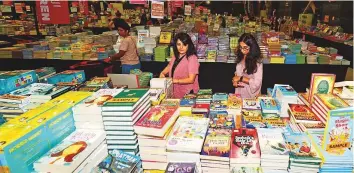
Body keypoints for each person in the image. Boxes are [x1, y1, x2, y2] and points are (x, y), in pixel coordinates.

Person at [159, 33, 200, 99]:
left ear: (188, 45)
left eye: (184, 44)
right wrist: (162, 73)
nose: (181, 47)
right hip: (175, 91)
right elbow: (170, 66)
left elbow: (191, 79)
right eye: (178, 44)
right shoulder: (176, 55)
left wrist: (174, 80)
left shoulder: (192, 58)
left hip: (188, 93)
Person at [232, 33, 263, 98]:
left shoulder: (257, 62)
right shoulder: (241, 56)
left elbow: (257, 83)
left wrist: (241, 78)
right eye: (241, 47)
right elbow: (239, 72)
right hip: (240, 91)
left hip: (250, 95)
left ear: (252, 47)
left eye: (245, 48)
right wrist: (235, 80)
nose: (242, 50)